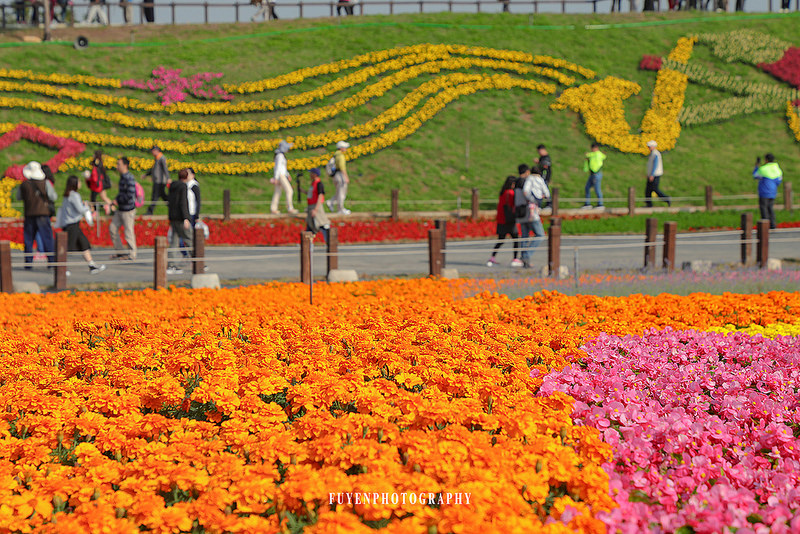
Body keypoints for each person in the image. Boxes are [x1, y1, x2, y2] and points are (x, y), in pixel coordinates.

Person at [55, 175, 106, 275]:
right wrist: (87, 207)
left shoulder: (68, 195)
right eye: (79, 182)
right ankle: (61, 268)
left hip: (71, 224)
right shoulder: (74, 195)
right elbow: (80, 209)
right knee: (67, 247)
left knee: (83, 243)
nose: (80, 184)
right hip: (72, 224)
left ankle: (91, 265)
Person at [17, 161, 57, 270]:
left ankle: (28, 262)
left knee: (28, 239)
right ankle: (51, 261)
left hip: (29, 214)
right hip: (43, 214)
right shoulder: (46, 183)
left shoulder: (24, 184)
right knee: (47, 238)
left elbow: (18, 197)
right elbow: (53, 197)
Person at [515, 164, 550, 269]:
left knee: (525, 237)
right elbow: (528, 192)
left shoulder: (517, 182)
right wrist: (536, 199)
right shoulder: (528, 181)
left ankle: (525, 261)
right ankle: (526, 256)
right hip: (530, 213)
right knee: (540, 235)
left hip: (520, 212)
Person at [164, 169, 193, 275]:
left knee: (174, 242)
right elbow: (183, 202)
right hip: (181, 218)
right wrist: (186, 218)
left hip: (173, 217)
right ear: (186, 176)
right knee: (190, 238)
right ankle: (197, 261)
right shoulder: (183, 186)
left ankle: (171, 265)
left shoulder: (173, 185)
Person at [109, 156, 137, 261]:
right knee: (112, 228)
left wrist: (118, 201)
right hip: (121, 209)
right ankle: (120, 251)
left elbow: (130, 195)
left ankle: (132, 254)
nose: (117, 167)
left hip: (128, 210)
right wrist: (116, 200)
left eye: (118, 164)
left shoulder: (129, 178)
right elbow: (121, 193)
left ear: (125, 165)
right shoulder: (122, 177)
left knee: (128, 232)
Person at [487, 176, 520, 267]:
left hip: (501, 220)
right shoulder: (511, 193)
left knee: (500, 240)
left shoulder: (502, 193)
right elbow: (513, 205)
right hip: (509, 220)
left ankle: (492, 257)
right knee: (516, 239)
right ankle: (515, 258)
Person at [753, 153, 783, 229]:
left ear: (766, 160)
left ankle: (765, 225)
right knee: (770, 208)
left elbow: (755, 175)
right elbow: (779, 180)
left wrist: (756, 166)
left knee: (763, 208)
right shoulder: (777, 169)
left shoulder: (763, 169)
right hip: (773, 191)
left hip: (764, 191)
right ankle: (772, 224)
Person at [271, 140, 297, 215]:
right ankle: (290, 208)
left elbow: (282, 167)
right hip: (281, 176)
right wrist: (276, 177)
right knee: (289, 191)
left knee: (277, 192)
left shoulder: (280, 155)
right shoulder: (280, 156)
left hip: (281, 175)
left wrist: (287, 174)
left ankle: (273, 208)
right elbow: (278, 167)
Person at [305, 168, 331, 243]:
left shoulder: (319, 183)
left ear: (315, 174)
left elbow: (320, 196)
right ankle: (308, 243)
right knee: (310, 225)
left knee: (321, 223)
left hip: (316, 206)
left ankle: (328, 241)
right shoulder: (313, 183)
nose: (310, 175)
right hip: (311, 206)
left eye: (311, 173)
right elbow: (311, 194)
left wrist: (316, 209)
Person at [327, 141, 351, 215]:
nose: (346, 148)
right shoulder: (340, 156)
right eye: (345, 147)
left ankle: (331, 202)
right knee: (342, 193)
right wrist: (346, 177)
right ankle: (340, 209)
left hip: (336, 176)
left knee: (338, 191)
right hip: (340, 175)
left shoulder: (335, 155)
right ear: (341, 148)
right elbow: (342, 168)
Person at [144, 146, 169, 216]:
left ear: (156, 150)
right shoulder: (157, 158)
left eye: (152, 151)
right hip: (157, 181)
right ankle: (173, 207)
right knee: (163, 196)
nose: (152, 152)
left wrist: (168, 178)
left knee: (155, 196)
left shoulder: (161, 158)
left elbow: (165, 169)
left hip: (160, 181)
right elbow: (153, 169)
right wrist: (146, 174)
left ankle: (150, 211)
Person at [645, 140, 670, 207]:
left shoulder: (655, 154)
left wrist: (652, 175)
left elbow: (655, 165)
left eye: (649, 146)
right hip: (651, 175)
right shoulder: (652, 153)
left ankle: (666, 199)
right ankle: (649, 204)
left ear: (653, 146)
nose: (648, 148)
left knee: (655, 189)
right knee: (648, 190)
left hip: (655, 175)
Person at [583, 143, 606, 209]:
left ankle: (600, 204)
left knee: (597, 189)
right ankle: (587, 203)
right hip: (592, 174)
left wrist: (589, 155)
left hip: (596, 174)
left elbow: (596, 159)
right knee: (587, 188)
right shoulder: (593, 155)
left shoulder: (598, 154)